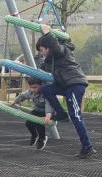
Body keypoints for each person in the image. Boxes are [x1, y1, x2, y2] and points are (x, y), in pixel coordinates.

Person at [37, 23, 95, 159]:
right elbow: (42, 67)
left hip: (75, 84)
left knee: (76, 116)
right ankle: (62, 114)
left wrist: (46, 34)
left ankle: (87, 147)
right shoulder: (52, 59)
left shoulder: (63, 50)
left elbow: (56, 49)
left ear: (49, 47)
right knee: (46, 89)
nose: (41, 53)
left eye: (42, 49)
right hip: (66, 85)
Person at [11, 77, 54, 150]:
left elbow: (48, 104)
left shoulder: (45, 93)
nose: (33, 89)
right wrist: (15, 101)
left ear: (41, 86)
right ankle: (34, 135)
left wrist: (48, 114)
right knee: (29, 123)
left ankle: (42, 138)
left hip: (50, 111)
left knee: (38, 122)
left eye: (35, 87)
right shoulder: (30, 92)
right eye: (31, 87)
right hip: (38, 110)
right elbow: (22, 96)